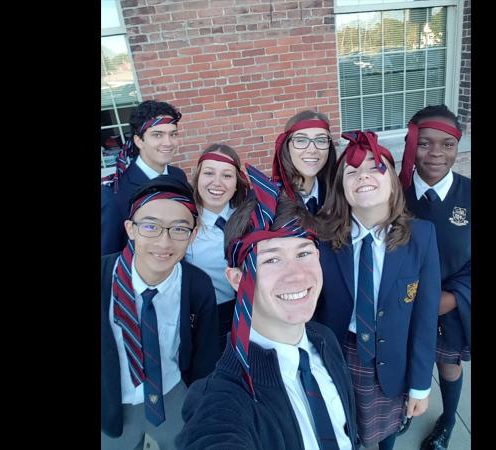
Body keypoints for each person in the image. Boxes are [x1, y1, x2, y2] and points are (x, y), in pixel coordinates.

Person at [177, 165, 358, 450]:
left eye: (304, 253)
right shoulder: (225, 397)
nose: (297, 275)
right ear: (237, 279)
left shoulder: (325, 340)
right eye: (272, 259)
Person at [313, 130, 441, 450]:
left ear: (393, 181)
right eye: (352, 172)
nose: (363, 176)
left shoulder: (422, 237)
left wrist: (421, 385)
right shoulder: (323, 241)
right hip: (343, 354)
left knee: (386, 432)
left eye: (375, 167)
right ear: (341, 187)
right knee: (346, 426)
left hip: (394, 359)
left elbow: (425, 319)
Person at [101, 175, 220, 450]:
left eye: (179, 229)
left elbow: (206, 357)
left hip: (173, 392)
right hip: (112, 401)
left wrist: (199, 404)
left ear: (193, 234)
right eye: (150, 226)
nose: (164, 242)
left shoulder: (197, 286)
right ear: (130, 229)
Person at [398, 105, 470, 450]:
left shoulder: (469, 196)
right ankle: (406, 409)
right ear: (412, 145)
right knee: (400, 358)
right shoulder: (394, 194)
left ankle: (447, 421)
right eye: (425, 144)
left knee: (448, 364)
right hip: (401, 302)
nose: (436, 154)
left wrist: (452, 298)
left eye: (447, 144)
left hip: (450, 304)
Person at [102, 100, 188, 255]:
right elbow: (108, 257)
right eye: (157, 135)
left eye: (173, 134)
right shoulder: (114, 194)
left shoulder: (179, 176)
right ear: (139, 141)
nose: (168, 143)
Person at [185, 143, 250, 349]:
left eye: (227, 176)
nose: (217, 182)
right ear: (197, 178)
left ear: (237, 183)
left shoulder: (252, 218)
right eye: (209, 173)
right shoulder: (185, 224)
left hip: (253, 312)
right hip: (210, 319)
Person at [271, 110, 335, 215]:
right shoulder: (268, 201)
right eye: (301, 140)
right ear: (286, 146)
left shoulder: (340, 195)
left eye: (321, 140)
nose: (312, 150)